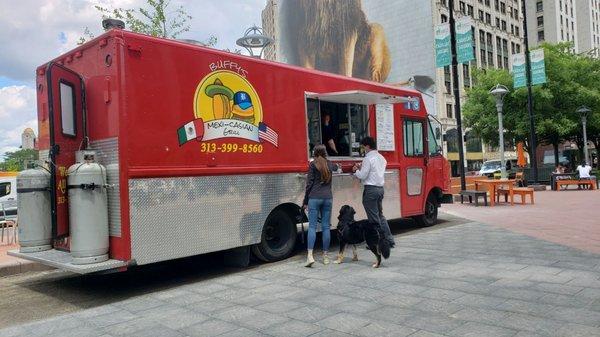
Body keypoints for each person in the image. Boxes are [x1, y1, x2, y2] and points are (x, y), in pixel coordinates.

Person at [352, 137, 395, 247]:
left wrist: (356, 170)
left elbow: (363, 175)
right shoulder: (382, 158)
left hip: (370, 190)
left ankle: (377, 241)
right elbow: (375, 171)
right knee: (380, 215)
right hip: (380, 189)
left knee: (373, 218)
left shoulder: (368, 158)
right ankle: (389, 239)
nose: (362, 149)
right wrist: (362, 167)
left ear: (367, 146)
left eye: (363, 147)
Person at [302, 144, 339, 267]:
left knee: (312, 227)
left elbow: (309, 185)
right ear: (325, 153)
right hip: (328, 198)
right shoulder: (330, 164)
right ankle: (325, 257)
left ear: (314, 153)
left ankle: (310, 256)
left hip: (314, 198)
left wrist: (305, 201)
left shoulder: (313, 165)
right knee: (326, 227)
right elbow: (338, 167)